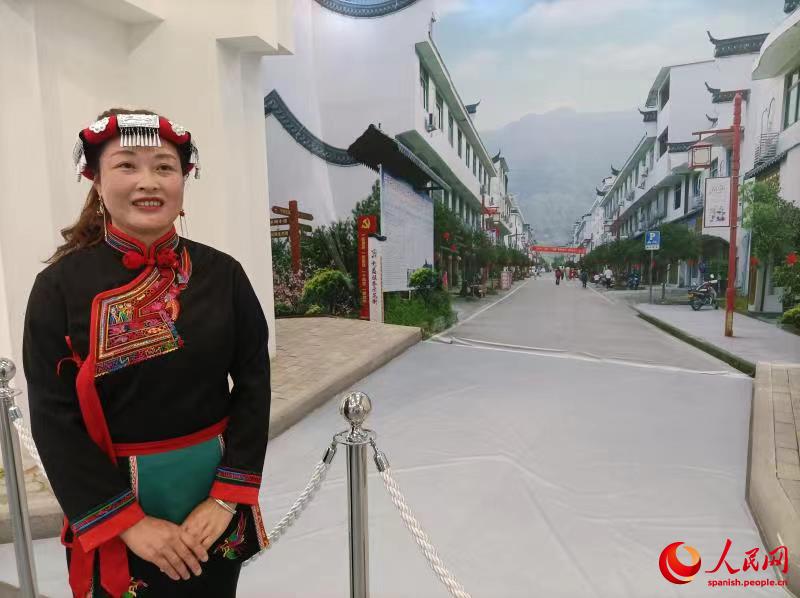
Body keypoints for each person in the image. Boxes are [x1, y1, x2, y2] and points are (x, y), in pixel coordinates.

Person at [23, 109, 270, 598]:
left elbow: (253, 383)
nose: (148, 182)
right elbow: (54, 419)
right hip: (119, 507)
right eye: (126, 165)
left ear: (183, 180)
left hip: (211, 503)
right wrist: (127, 521)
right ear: (95, 181)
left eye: (164, 166)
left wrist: (224, 499)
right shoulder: (58, 288)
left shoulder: (224, 275)